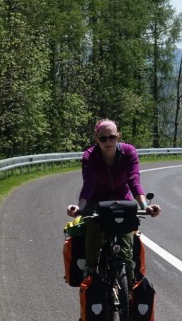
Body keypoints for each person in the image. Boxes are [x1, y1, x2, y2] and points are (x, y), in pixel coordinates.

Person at [66, 119, 160, 286]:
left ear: (118, 136)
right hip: (96, 201)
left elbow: (134, 181)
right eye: (103, 138)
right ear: (96, 138)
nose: (108, 142)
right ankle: (90, 270)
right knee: (93, 229)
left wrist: (145, 206)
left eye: (112, 137)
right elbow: (89, 184)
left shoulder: (129, 152)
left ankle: (129, 285)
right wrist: (79, 208)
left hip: (122, 201)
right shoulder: (90, 156)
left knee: (126, 249)